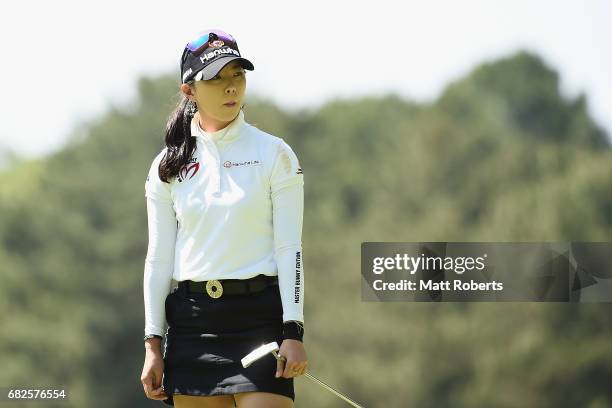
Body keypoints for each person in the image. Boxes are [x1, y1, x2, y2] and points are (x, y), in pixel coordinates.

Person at [140, 29, 308, 408]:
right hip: (192, 327)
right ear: (189, 91)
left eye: (237, 76)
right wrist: (153, 343)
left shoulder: (275, 154)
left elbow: (289, 249)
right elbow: (158, 258)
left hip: (260, 324)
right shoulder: (167, 166)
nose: (231, 88)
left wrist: (293, 330)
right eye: (216, 79)